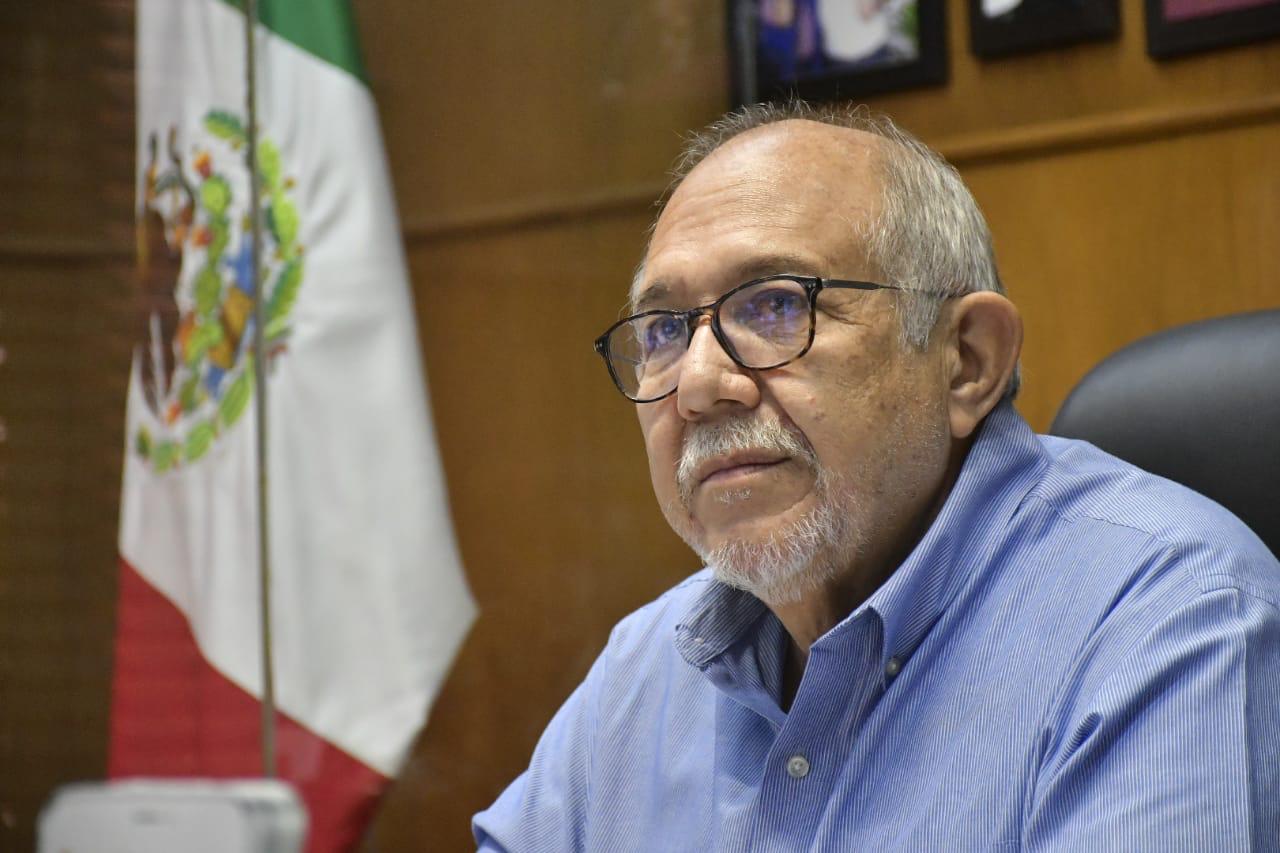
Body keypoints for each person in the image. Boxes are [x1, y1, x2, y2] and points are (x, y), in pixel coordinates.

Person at [473, 102, 1280, 851]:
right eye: (662, 330)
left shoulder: (1172, 622)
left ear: (966, 360)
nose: (698, 384)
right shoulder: (646, 667)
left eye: (775, 306)